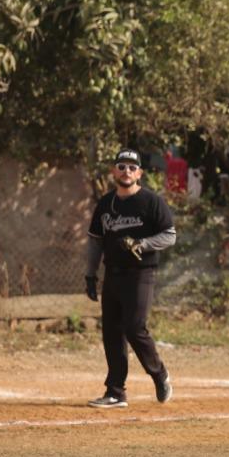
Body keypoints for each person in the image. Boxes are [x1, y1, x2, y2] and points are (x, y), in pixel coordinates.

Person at [84, 149, 176, 409]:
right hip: (112, 274)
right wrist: (90, 275)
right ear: (114, 171)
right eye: (121, 167)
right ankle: (115, 392)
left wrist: (142, 243)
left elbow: (169, 235)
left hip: (140, 274)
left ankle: (159, 374)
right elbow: (95, 242)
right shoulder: (105, 204)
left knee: (135, 328)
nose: (126, 172)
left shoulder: (151, 202)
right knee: (112, 333)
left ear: (140, 173)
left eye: (132, 168)